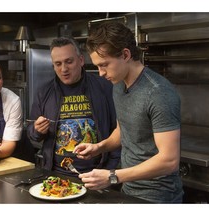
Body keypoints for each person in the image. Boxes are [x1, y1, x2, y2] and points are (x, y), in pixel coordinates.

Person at [73, 21, 183, 203]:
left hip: (158, 197)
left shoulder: (159, 93)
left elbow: (169, 160)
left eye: (104, 65)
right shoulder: (118, 84)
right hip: (129, 189)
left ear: (125, 55)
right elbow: (123, 130)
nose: (100, 73)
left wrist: (112, 176)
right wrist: (99, 147)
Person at [27, 37, 120, 176]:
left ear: (81, 60)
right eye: (58, 64)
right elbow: (32, 134)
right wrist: (37, 130)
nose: (64, 69)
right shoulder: (44, 92)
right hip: (56, 173)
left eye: (69, 62)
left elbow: (119, 131)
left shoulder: (105, 87)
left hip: (98, 172)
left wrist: (109, 170)